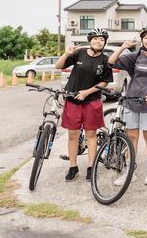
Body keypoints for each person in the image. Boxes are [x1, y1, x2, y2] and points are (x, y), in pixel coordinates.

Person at [108, 25, 147, 185]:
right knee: (131, 137)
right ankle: (129, 171)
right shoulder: (135, 56)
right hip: (131, 101)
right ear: (142, 40)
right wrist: (122, 47)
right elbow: (111, 62)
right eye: (146, 38)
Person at [54, 28, 113, 182]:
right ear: (89, 40)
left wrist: (87, 92)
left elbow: (105, 81)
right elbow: (58, 66)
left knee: (91, 135)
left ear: (104, 42)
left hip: (92, 101)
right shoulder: (79, 53)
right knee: (73, 135)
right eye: (95, 39)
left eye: (102, 39)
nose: (98, 41)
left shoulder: (105, 60)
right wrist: (67, 53)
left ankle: (91, 167)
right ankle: (73, 167)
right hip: (73, 99)